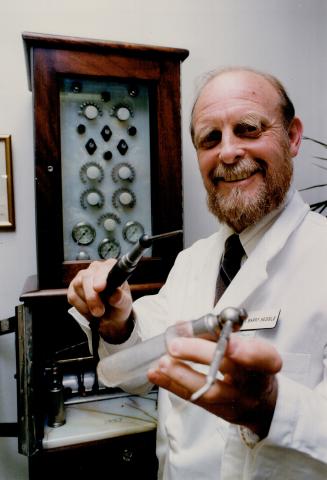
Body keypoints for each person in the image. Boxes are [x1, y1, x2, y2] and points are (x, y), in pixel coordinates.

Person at [67, 67, 327, 479]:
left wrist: (273, 408)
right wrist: (119, 325)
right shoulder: (193, 261)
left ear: (292, 137)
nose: (227, 153)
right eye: (210, 139)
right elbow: (134, 374)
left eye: (247, 129)